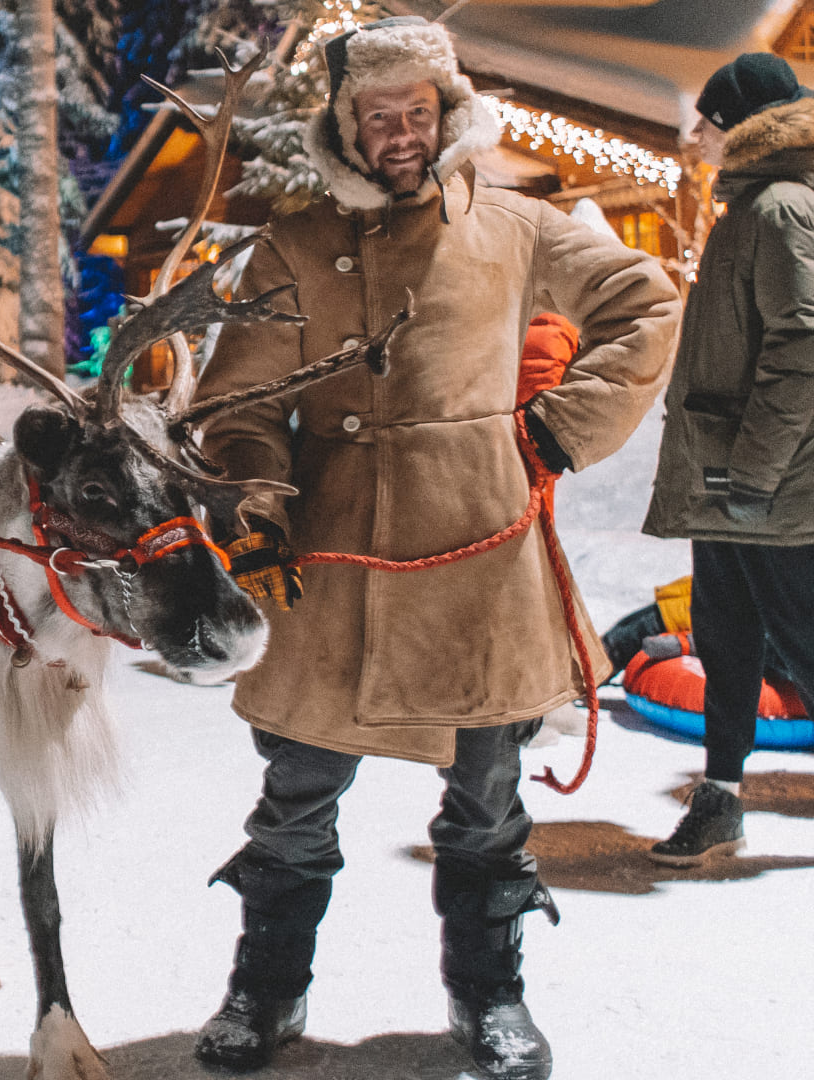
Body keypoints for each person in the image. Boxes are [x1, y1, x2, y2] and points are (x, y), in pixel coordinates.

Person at [189, 16, 680, 1080]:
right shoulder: (293, 246)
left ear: (445, 113)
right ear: (346, 125)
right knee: (294, 804)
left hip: (481, 568)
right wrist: (256, 505)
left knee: (488, 810)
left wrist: (557, 430)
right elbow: (235, 406)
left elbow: (645, 302)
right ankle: (266, 991)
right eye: (379, 115)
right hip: (331, 567)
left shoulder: (513, 225)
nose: (400, 132)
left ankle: (490, 999)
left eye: (417, 112)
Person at [642, 52, 814, 868]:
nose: (694, 134)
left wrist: (756, 471)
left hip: (773, 485)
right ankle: (721, 799)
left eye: (707, 119)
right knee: (726, 638)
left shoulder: (781, 208)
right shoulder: (748, 206)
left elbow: (804, 348)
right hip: (731, 478)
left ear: (745, 126)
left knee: (806, 643)